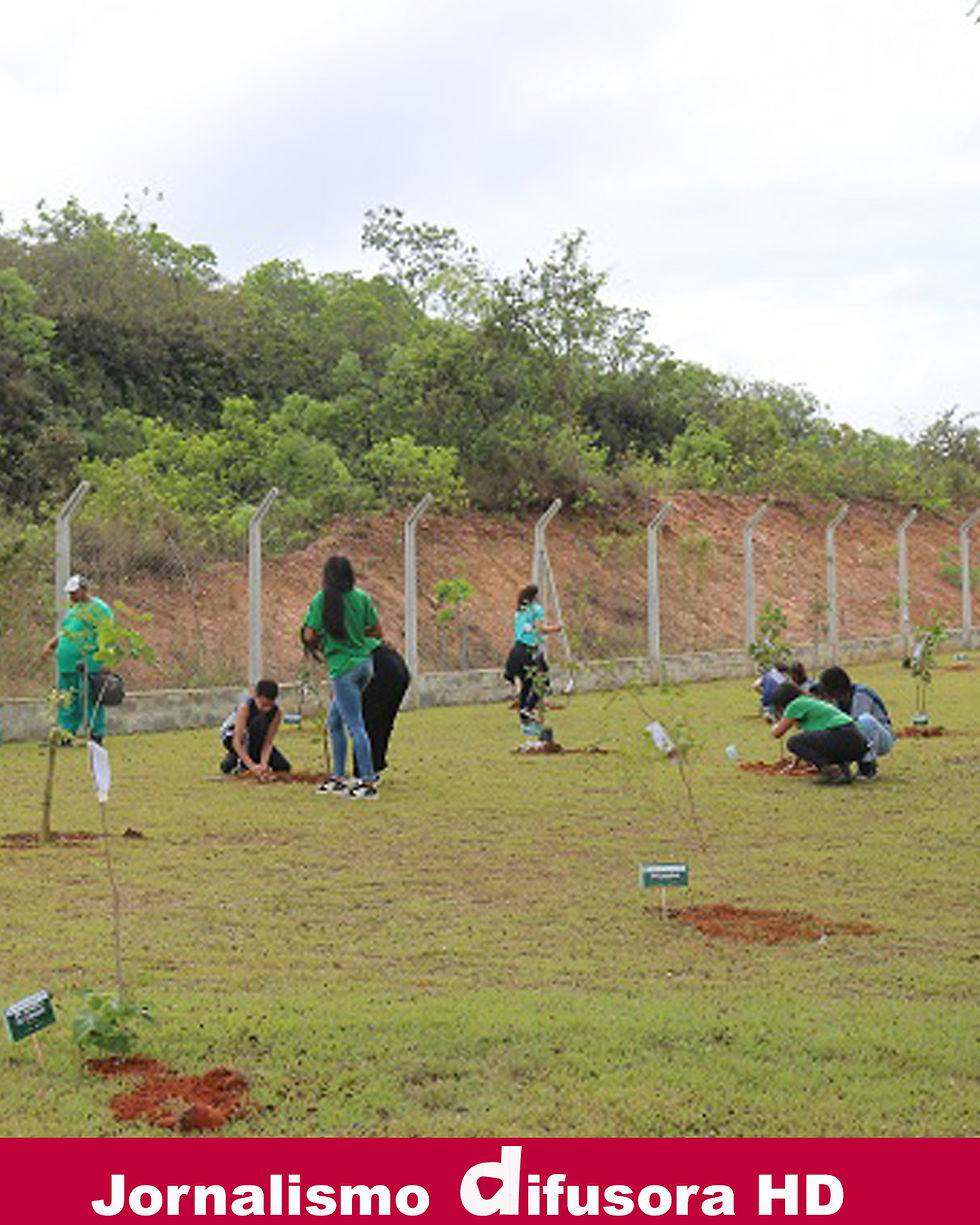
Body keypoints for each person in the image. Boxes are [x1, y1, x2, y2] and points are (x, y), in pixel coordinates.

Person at [301, 555, 382, 799]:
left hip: (342, 669)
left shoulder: (322, 599)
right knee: (334, 722)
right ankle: (338, 777)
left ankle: (368, 782)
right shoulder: (361, 597)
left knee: (355, 725)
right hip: (364, 665)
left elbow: (309, 633)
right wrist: (355, 633)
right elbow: (377, 631)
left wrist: (324, 638)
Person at [40, 574, 114, 745]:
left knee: (89, 699)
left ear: (84, 590)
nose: (71, 596)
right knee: (67, 701)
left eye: (74, 592)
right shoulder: (73, 611)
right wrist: (51, 644)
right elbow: (65, 632)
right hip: (67, 665)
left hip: (88, 663)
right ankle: (66, 735)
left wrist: (107, 659)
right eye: (70, 593)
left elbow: (107, 634)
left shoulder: (99, 609)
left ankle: (95, 735)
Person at [770, 680, 868, 784]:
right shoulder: (810, 701)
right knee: (802, 740)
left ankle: (832, 772)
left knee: (792, 741)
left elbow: (777, 733)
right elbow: (806, 741)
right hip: (857, 740)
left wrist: (775, 724)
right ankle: (842, 772)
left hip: (842, 735)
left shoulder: (795, 704)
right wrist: (794, 765)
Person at [819, 666, 894, 779]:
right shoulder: (837, 700)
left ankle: (868, 767)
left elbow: (856, 725)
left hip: (882, 738)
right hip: (861, 736)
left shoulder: (861, 694)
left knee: (864, 720)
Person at [503, 583, 562, 723]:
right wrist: (556, 628)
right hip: (530, 650)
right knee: (543, 681)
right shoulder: (536, 609)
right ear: (535, 596)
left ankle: (525, 714)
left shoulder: (520, 609)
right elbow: (540, 629)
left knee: (527, 683)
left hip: (517, 649)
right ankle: (528, 708)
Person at [219, 678, 291, 778]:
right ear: (256, 697)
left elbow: (268, 741)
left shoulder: (277, 712)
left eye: (270, 705)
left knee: (283, 767)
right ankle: (232, 761)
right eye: (263, 704)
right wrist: (252, 766)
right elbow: (237, 741)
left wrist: (263, 764)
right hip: (233, 737)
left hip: (256, 738)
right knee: (246, 758)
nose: (266, 709)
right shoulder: (245, 708)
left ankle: (237, 759)